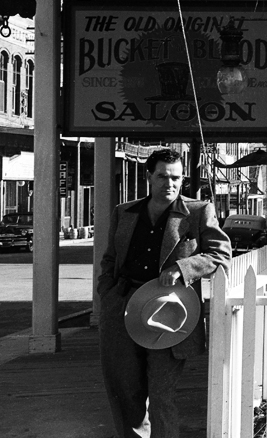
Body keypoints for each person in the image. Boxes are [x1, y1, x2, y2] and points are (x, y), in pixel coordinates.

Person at [97, 148, 231, 438]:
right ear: (149, 176)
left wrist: (184, 268)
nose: (170, 184)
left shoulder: (197, 212)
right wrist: (106, 293)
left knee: (161, 394)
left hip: (169, 315)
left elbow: (221, 253)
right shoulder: (125, 212)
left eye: (176, 178)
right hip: (123, 309)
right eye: (162, 177)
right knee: (126, 392)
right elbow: (110, 259)